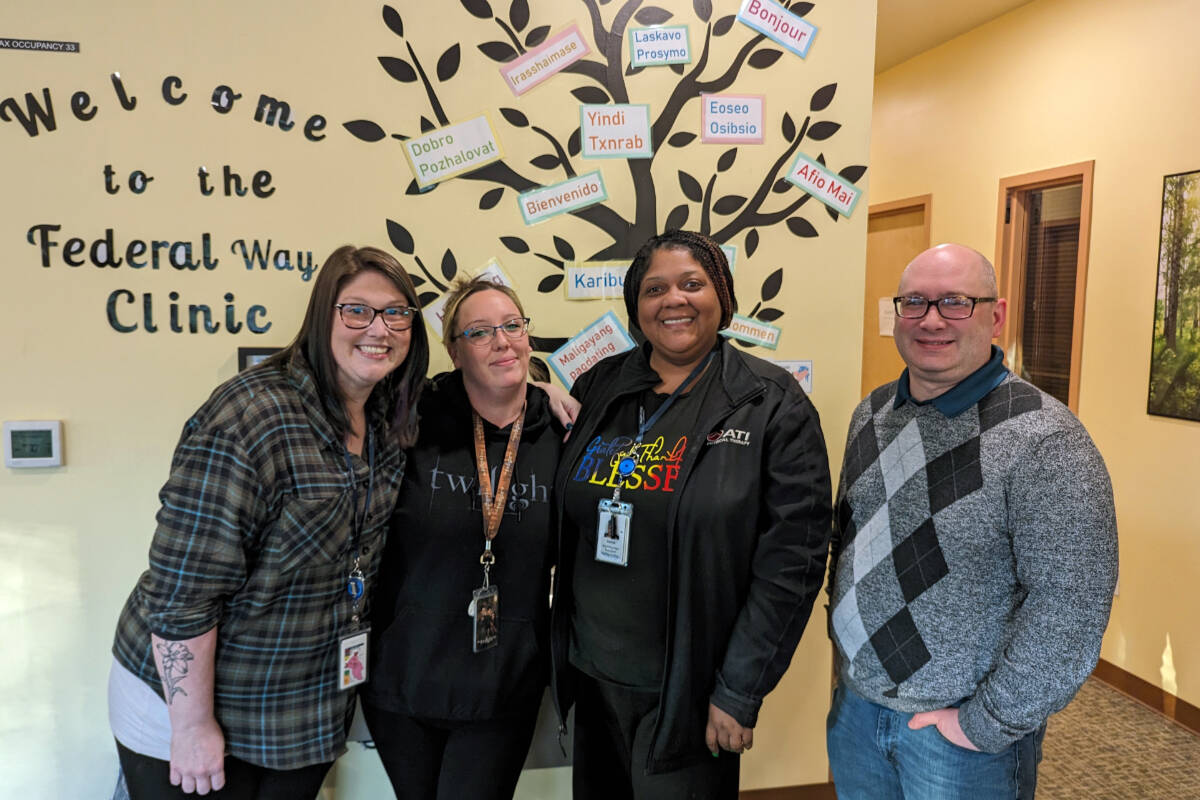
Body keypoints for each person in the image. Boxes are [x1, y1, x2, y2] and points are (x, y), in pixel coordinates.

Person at [109, 245, 430, 799]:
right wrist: (191, 727)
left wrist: (536, 391)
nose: (378, 328)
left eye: (396, 312)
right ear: (322, 316)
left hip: (299, 711)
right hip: (192, 708)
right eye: (357, 310)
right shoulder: (248, 416)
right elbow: (182, 592)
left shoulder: (385, 413)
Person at [825, 243, 1118, 799]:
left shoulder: (1046, 441)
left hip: (959, 742)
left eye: (955, 302)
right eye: (914, 303)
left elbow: (1072, 604)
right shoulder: (871, 415)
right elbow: (854, 553)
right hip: (858, 715)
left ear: (996, 314)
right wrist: (847, 682)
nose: (931, 320)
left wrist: (984, 725)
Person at [551, 230, 833, 799]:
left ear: (722, 298)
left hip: (690, 690)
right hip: (594, 672)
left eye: (692, 283)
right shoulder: (600, 385)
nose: (673, 299)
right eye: (654, 288)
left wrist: (739, 690)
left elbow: (792, 565)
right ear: (636, 306)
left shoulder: (770, 403)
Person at [361, 277, 566, 800]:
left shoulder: (564, 431)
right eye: (479, 332)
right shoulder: (412, 416)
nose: (502, 341)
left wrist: (545, 390)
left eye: (512, 326)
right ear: (453, 350)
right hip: (404, 679)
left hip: (503, 685)